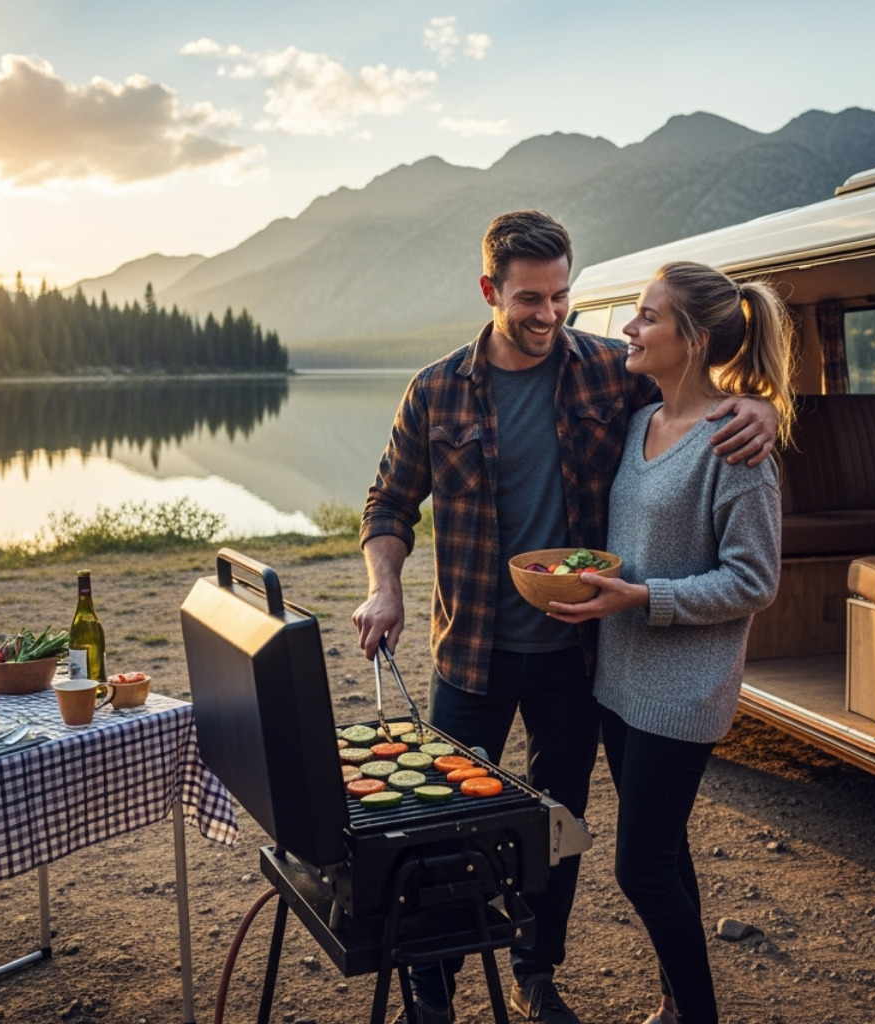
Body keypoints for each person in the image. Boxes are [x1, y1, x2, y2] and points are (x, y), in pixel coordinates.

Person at [352, 212, 778, 1024]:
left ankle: (535, 969)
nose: (549, 315)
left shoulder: (609, 370)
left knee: (559, 821)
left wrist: (760, 408)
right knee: (446, 820)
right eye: (529, 299)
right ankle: (433, 992)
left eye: (561, 296)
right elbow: (388, 502)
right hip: (470, 649)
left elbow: (702, 380)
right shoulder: (436, 388)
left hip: (578, 657)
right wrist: (386, 586)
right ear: (490, 292)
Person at [544, 261, 795, 1024]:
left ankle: (700, 1016)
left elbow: (755, 582)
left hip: (682, 693)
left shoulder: (737, 445)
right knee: (668, 849)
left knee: (641, 868)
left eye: (647, 317)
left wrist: (645, 597)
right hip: (619, 679)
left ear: (690, 340)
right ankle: (676, 1001)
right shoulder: (637, 422)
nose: (629, 327)